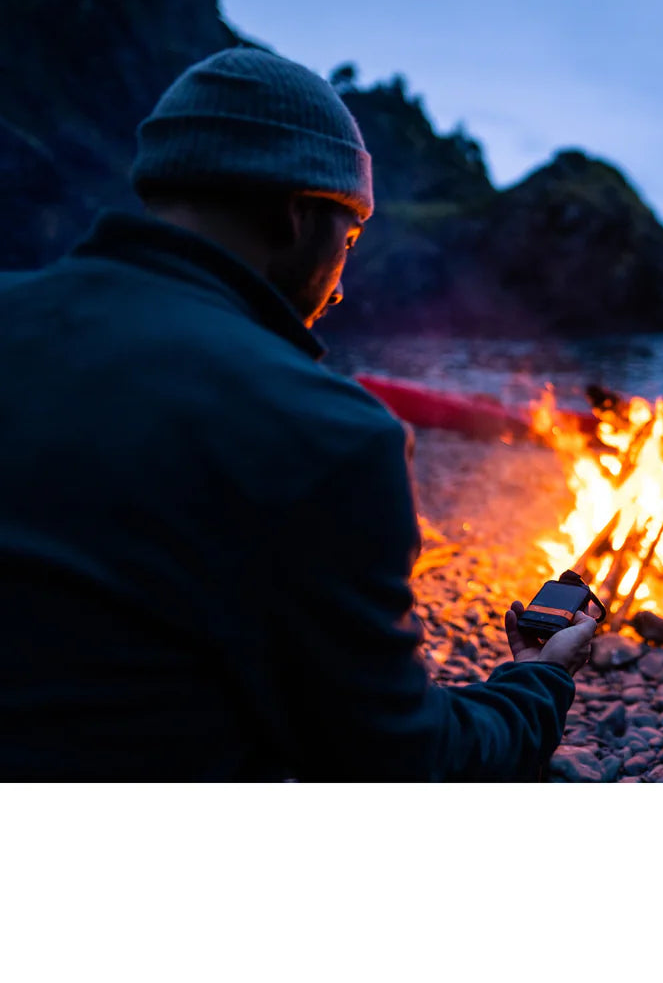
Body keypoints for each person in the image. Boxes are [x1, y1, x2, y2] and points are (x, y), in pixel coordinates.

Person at [0, 47, 595, 781]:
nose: (340, 289)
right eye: (348, 239)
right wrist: (538, 681)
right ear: (296, 215)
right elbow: (399, 760)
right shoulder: (325, 433)